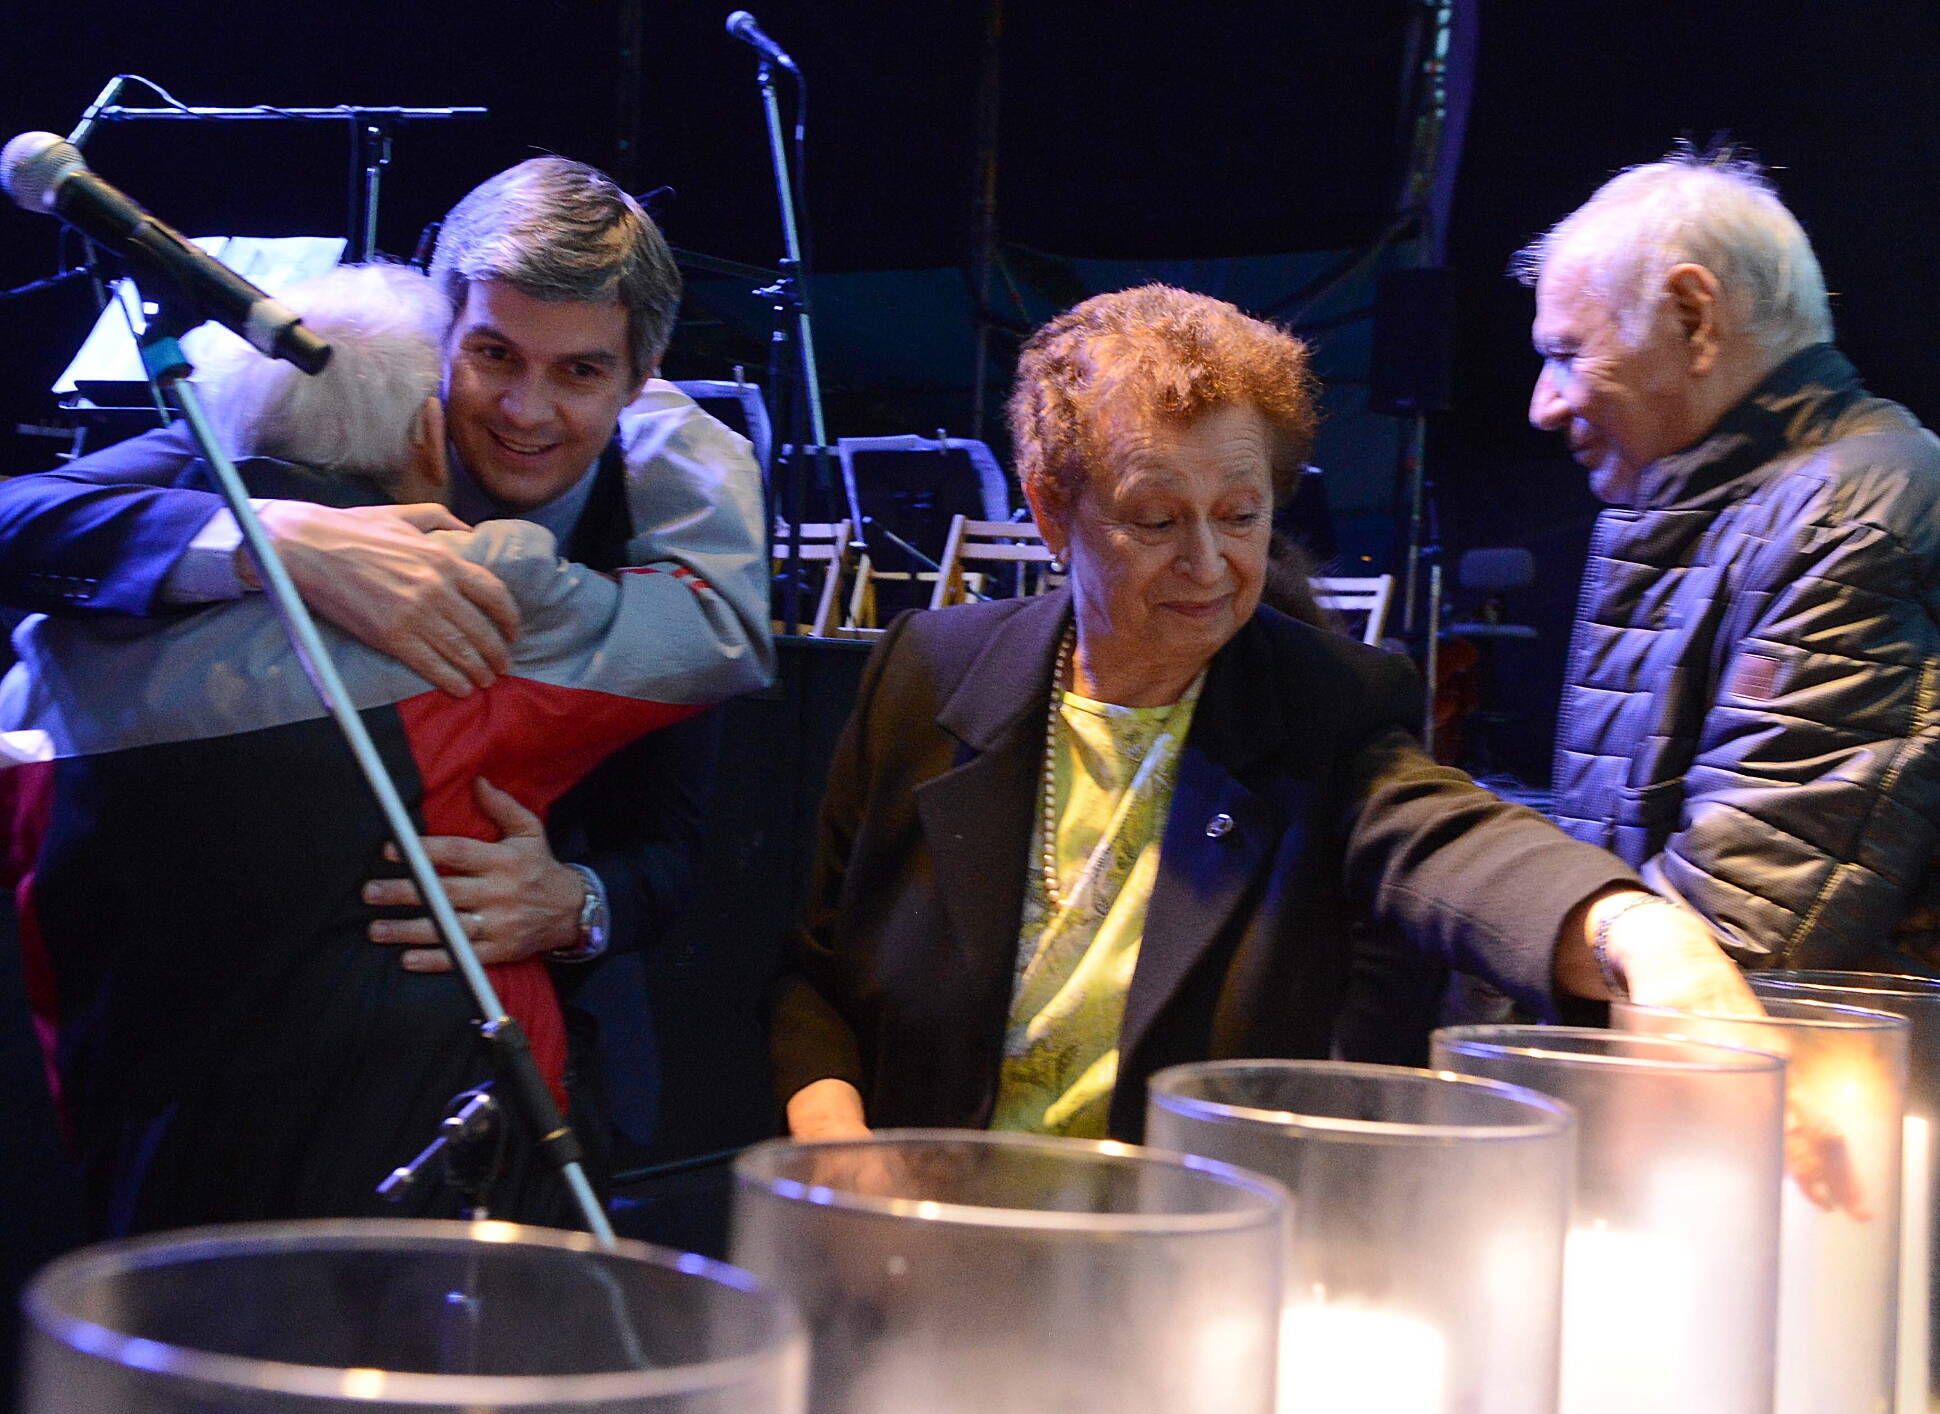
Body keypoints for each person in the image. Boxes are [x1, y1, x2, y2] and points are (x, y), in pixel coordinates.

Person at [772, 284, 1759, 1145]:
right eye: (1155, 520)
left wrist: (1637, 930)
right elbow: (814, 977)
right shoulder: (925, 671)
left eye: (1240, 514)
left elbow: (1449, 837)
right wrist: (838, 1145)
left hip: (1171, 1264)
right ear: (1049, 509)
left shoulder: (1333, 702)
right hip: (921, 1236)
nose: (1207, 563)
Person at [0, 156, 771, 1149]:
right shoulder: (317, 426)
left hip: (523, 1036)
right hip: (241, 1024)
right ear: (438, 335)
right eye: (493, 355)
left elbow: (667, 844)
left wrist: (571, 904)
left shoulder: (658, 522)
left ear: (638, 378)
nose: (525, 411)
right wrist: (272, 538)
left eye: (580, 371)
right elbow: (24, 513)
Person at [1520, 148, 1940, 972]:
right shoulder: (1759, 506)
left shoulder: (1850, 517)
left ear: (1692, 318)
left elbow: (1733, 941)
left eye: (1567, 353)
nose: (1544, 404)